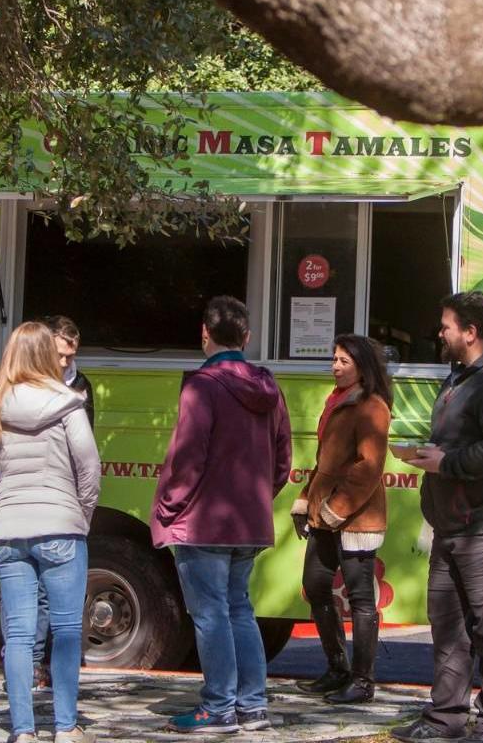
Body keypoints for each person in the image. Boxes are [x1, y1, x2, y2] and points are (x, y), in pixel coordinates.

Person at [392, 291, 483, 743]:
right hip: (454, 526)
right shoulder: (463, 376)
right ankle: (445, 719)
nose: (440, 333)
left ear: (471, 333)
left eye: (446, 326)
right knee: (448, 626)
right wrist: (432, 456)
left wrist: (447, 462)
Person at [152, 295, 292, 734]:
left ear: (204, 334)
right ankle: (252, 707)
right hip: (250, 521)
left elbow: (187, 459)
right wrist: (259, 497)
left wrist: (167, 506)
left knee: (211, 613)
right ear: (247, 337)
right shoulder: (269, 387)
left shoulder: (201, 386)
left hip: (203, 520)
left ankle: (218, 708)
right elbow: (283, 458)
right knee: (239, 610)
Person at [0, 321, 101, 743]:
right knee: (65, 631)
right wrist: (80, 515)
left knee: (20, 635)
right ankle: (65, 726)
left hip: (9, 533)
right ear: (46, 355)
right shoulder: (68, 403)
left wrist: (3, 509)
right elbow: (89, 469)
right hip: (62, 528)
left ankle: (23, 730)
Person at [292, 334, 392, 704]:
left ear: (362, 367)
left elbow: (368, 466)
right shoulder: (336, 401)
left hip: (356, 517)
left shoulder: (371, 406)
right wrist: (305, 502)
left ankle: (362, 681)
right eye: (333, 359)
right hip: (325, 513)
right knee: (316, 586)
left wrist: (338, 508)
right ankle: (337, 668)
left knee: (361, 597)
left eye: (343, 361)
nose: (335, 366)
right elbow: (325, 464)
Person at [13, 315, 96, 690]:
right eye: (60, 354)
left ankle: (53, 668)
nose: (65, 363)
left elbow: (86, 458)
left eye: (71, 355)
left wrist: (83, 510)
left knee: (57, 597)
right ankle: (27, 665)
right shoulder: (17, 386)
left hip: (63, 504)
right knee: (25, 597)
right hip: (24, 506)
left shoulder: (80, 388)